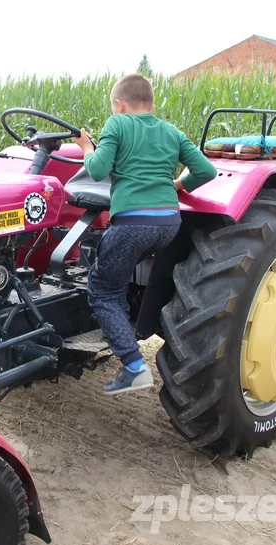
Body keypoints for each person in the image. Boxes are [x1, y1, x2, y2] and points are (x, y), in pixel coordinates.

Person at [73, 73, 217, 395]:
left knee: (103, 292)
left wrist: (85, 147)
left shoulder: (116, 124)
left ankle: (134, 366)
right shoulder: (171, 131)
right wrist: (178, 185)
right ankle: (121, 329)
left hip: (133, 224)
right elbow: (207, 171)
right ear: (151, 104)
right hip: (168, 224)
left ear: (118, 104)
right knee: (118, 279)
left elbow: (96, 170)